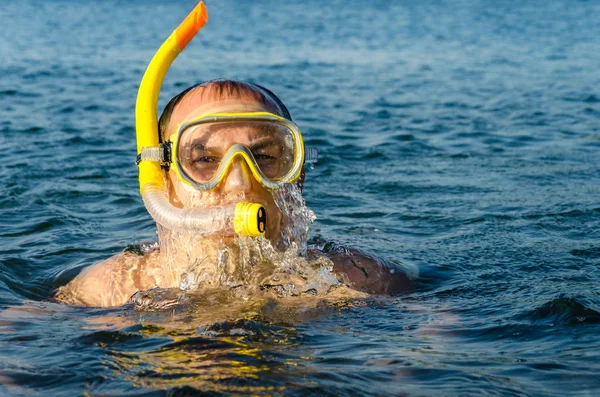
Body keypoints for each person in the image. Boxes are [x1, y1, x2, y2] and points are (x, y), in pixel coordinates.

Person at [54, 4, 412, 307]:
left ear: (297, 178)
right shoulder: (108, 290)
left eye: (265, 156)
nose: (240, 184)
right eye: (205, 160)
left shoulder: (359, 282)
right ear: (160, 181)